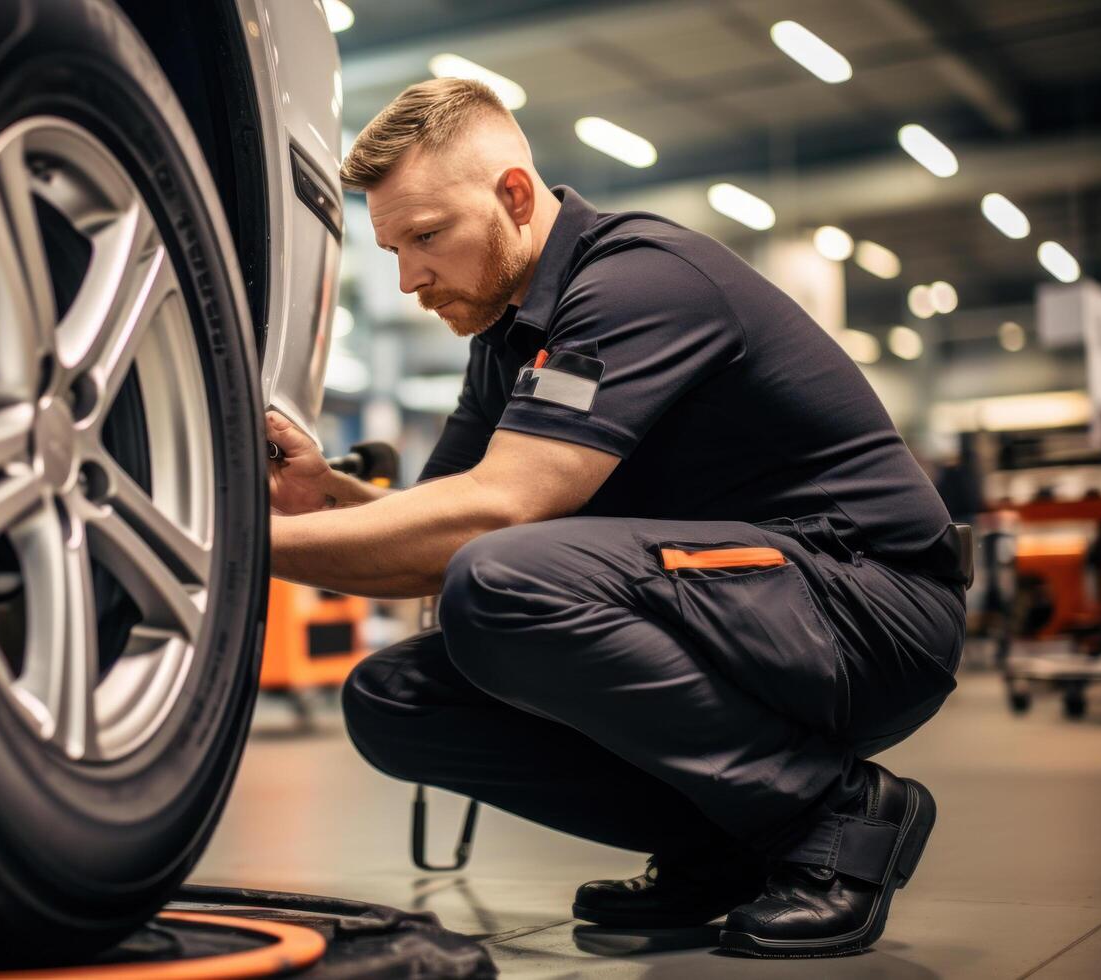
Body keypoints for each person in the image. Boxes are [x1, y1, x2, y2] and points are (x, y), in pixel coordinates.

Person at [267, 77, 968, 958]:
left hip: (868, 609)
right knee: (392, 698)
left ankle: (836, 816)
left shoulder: (637, 282)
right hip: (742, 611)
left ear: (514, 197)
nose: (410, 278)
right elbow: (430, 527)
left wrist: (229, 549)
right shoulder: (510, 331)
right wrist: (324, 494)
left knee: (500, 575)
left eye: (427, 237)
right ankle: (720, 839)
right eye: (393, 248)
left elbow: (492, 519)